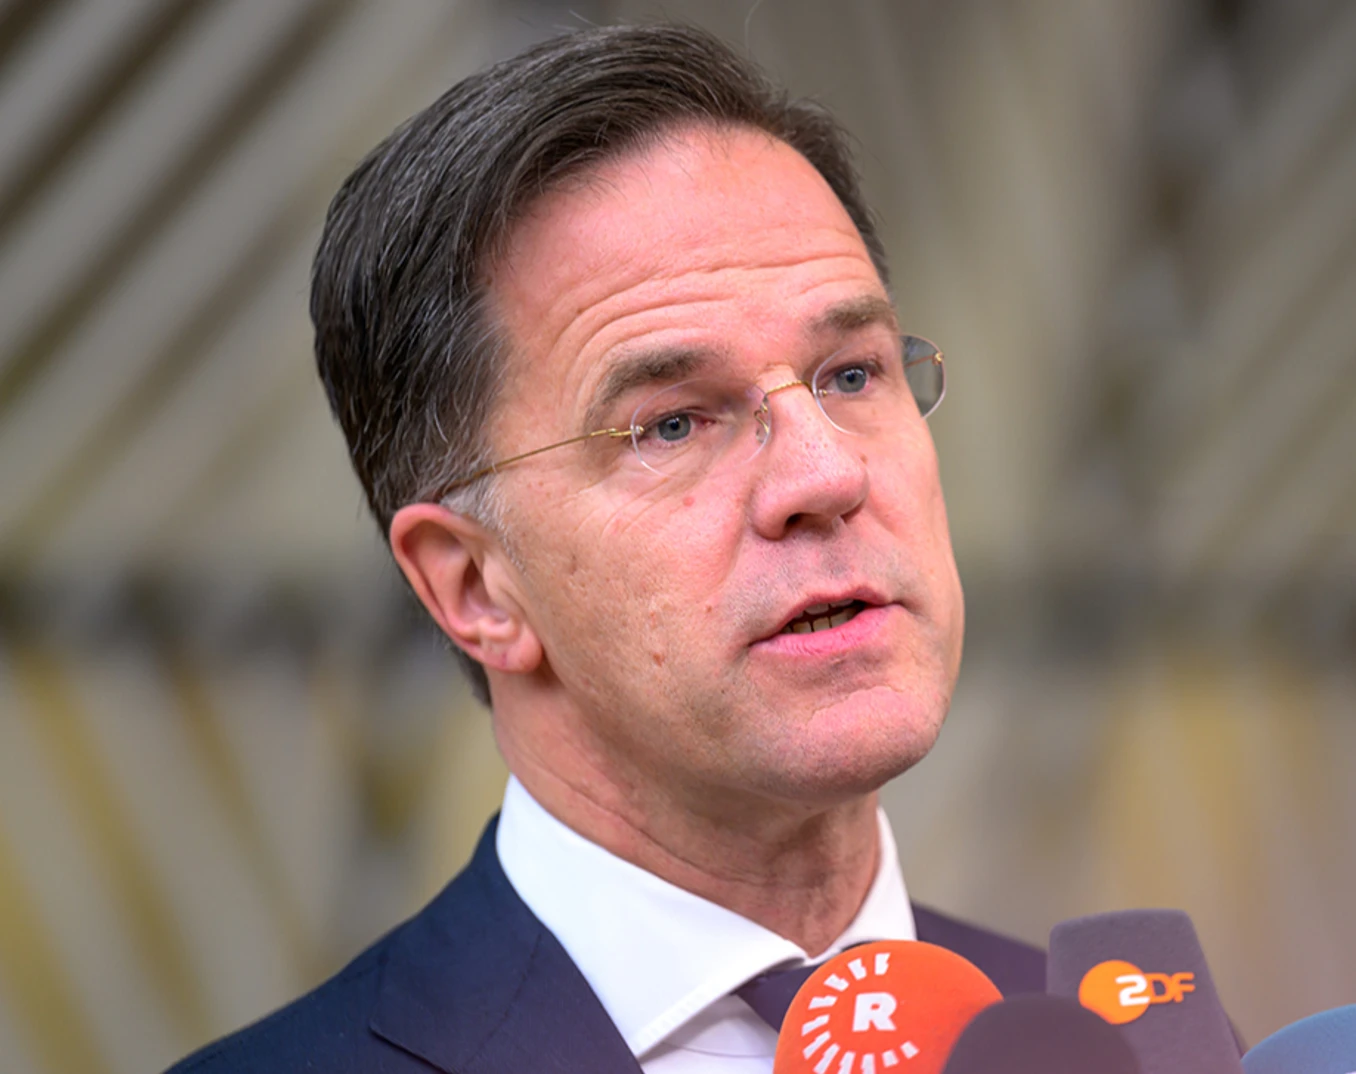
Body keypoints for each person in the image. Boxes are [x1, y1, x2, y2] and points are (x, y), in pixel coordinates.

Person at [167, 22, 1041, 1074]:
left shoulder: (1123, 1042)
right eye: (671, 424)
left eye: (852, 375)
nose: (825, 476)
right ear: (475, 586)